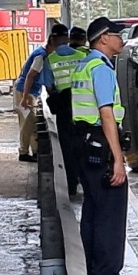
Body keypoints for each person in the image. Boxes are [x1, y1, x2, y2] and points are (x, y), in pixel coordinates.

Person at [71, 17, 138, 275]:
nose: (121, 39)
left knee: (93, 211)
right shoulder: (100, 69)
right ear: (102, 39)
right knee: (110, 214)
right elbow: (106, 114)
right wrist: (118, 159)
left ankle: (91, 271)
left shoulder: (84, 64)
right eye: (116, 35)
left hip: (84, 143)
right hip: (100, 143)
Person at [44, 26, 90, 197]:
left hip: (64, 109)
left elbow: (49, 87)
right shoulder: (82, 56)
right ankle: (87, 183)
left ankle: (72, 185)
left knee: (67, 147)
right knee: (85, 145)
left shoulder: (50, 59)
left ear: (53, 40)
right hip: (84, 107)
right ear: (68, 38)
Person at [14, 27, 65, 163]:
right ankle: (24, 152)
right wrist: (25, 97)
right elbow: (30, 76)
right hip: (26, 91)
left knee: (32, 123)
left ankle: (35, 151)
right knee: (28, 123)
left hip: (31, 91)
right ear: (53, 43)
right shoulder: (41, 56)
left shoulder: (42, 54)